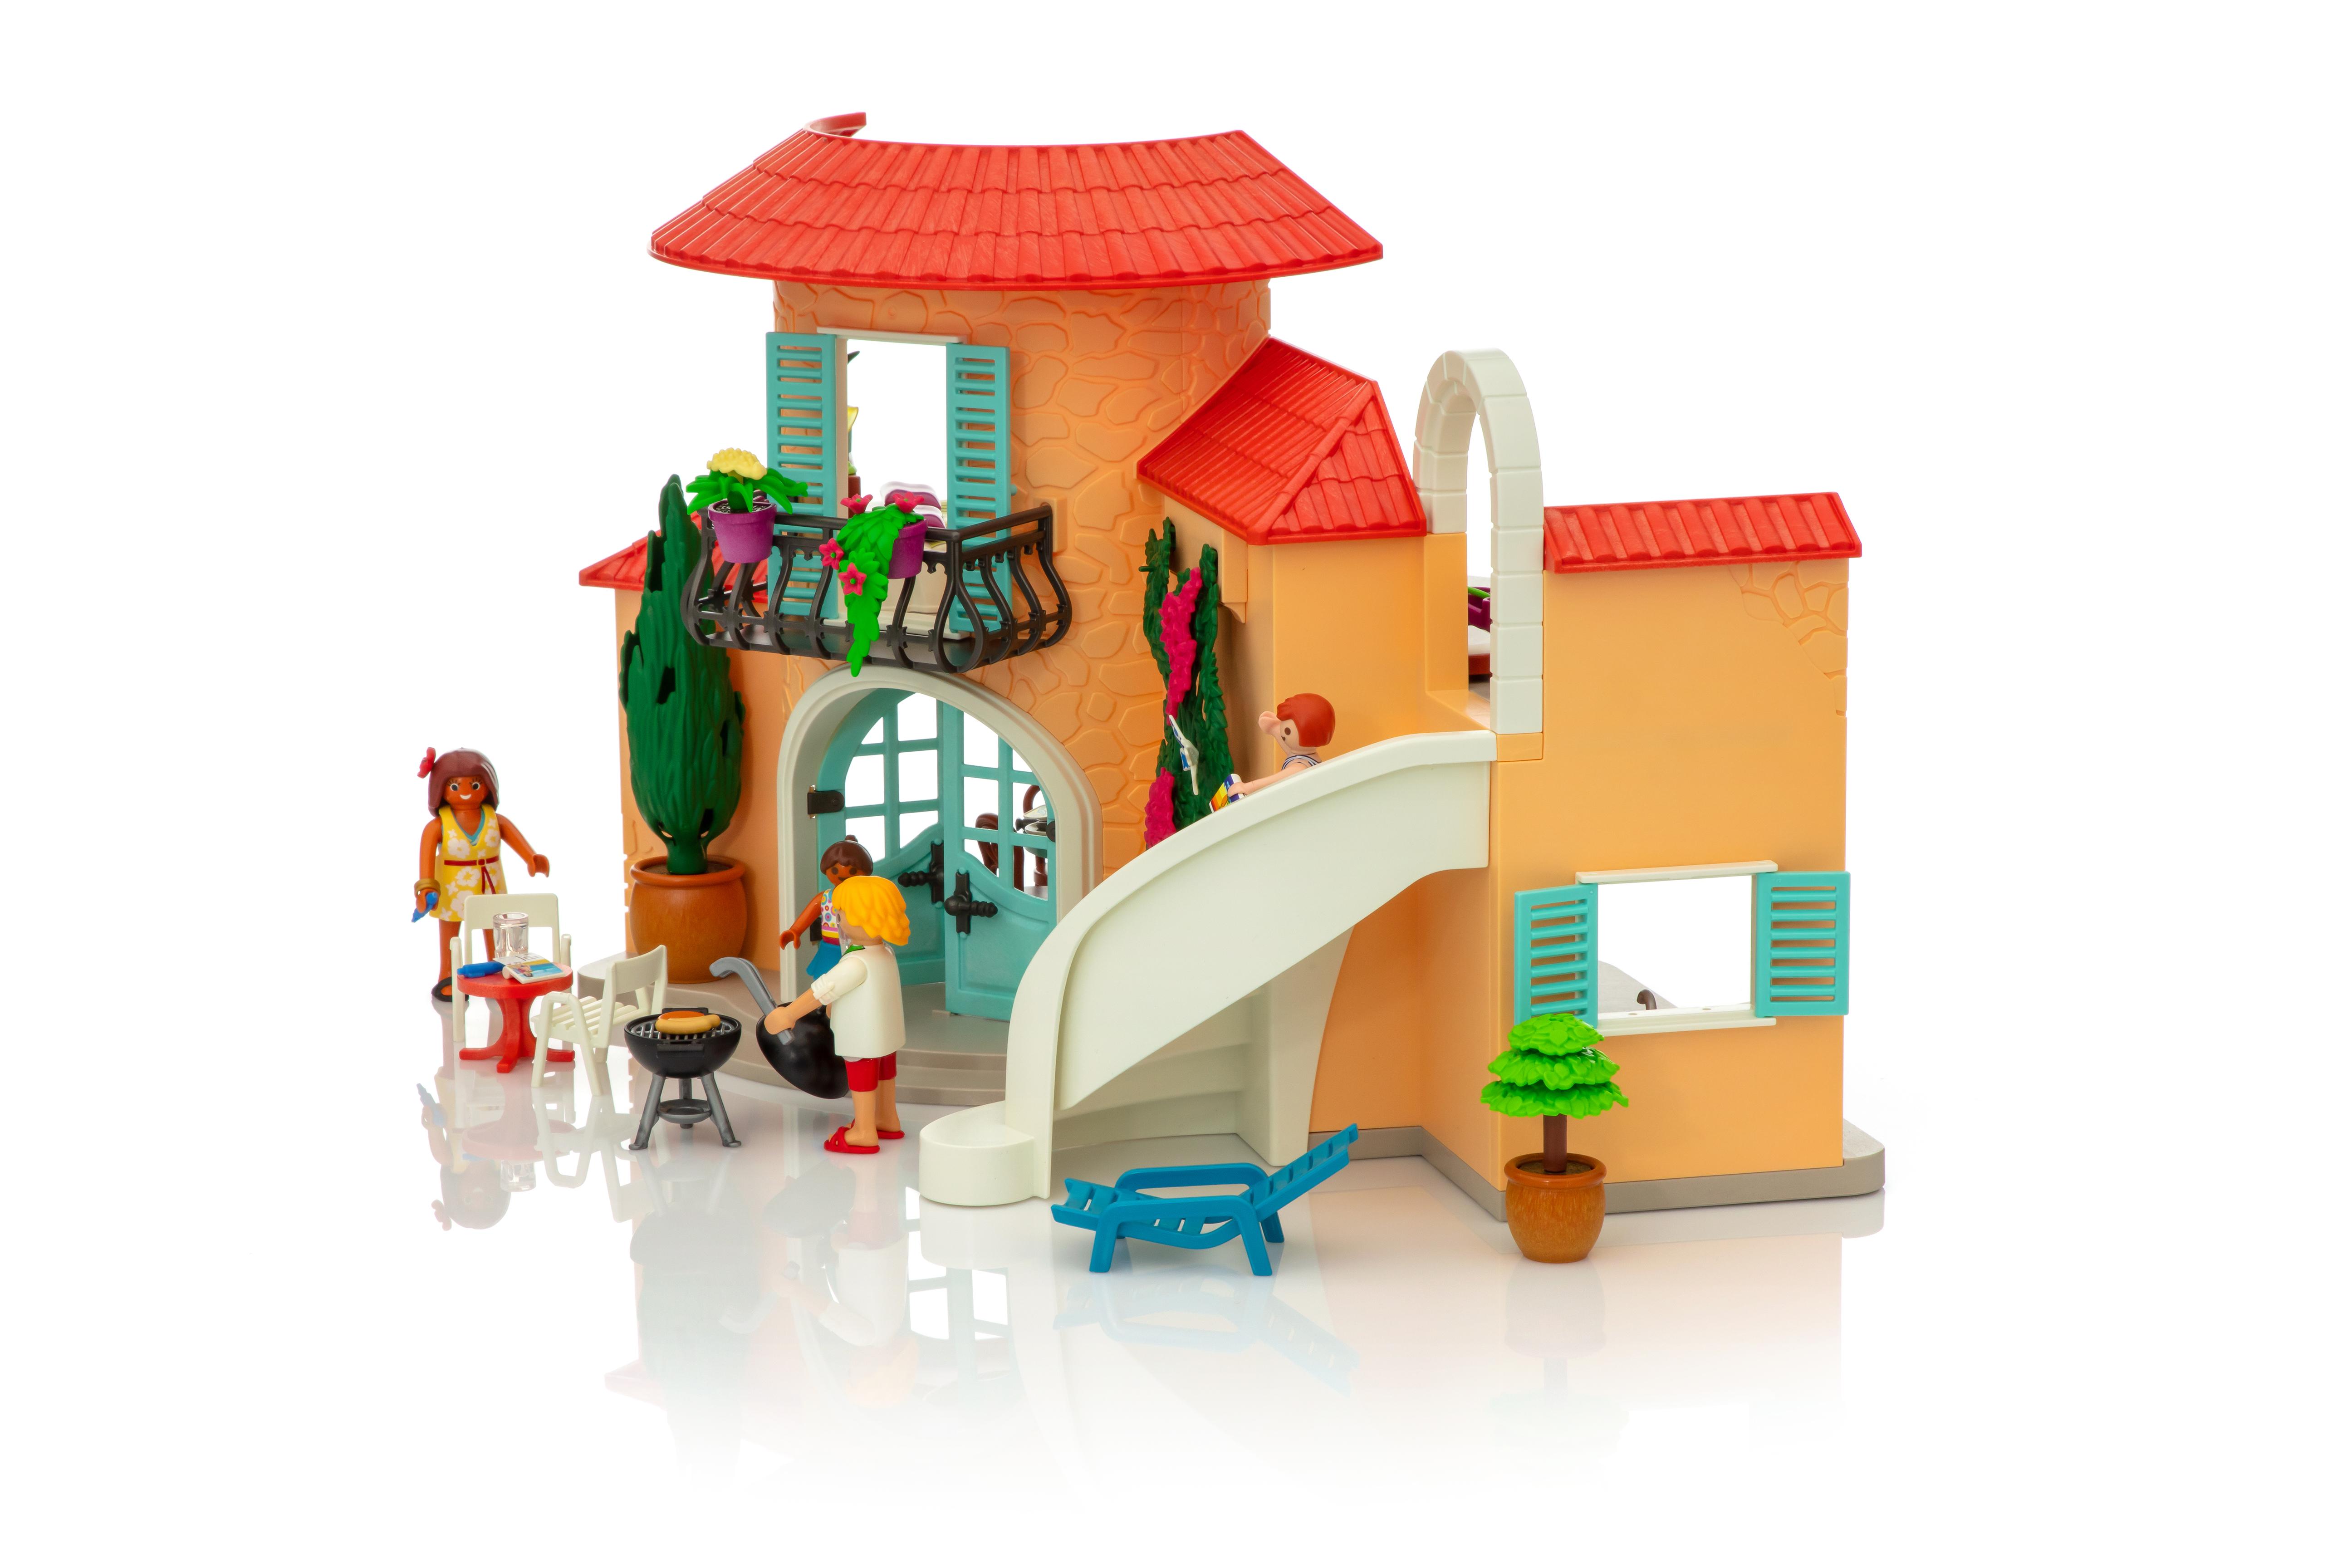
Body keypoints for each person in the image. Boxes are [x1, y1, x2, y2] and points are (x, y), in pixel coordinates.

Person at [764, 877, 908, 1154]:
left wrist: (789, 1015)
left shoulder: (857, 962)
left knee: (862, 1078)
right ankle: (886, 1118)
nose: (837, 922)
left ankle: (864, 1131)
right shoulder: (885, 953)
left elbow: (823, 990)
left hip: (862, 1036)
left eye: (841, 916)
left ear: (865, 918)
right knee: (885, 1072)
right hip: (887, 1034)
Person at [414, 747, 550, 1001]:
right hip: (453, 886)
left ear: (489, 786)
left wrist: (532, 858)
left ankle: (499, 969)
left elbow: (516, 840)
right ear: (440, 789)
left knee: (495, 927)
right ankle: (448, 974)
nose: (466, 791)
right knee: (450, 932)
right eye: (455, 786)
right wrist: (426, 887)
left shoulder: (495, 820)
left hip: (490, 883)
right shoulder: (438, 826)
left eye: (475, 784)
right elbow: (426, 858)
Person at [780, 838, 873, 981]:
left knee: (856, 981)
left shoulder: (866, 897)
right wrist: (795, 931)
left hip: (858, 948)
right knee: (826, 981)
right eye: (835, 870)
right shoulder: (825, 898)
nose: (843, 875)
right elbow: (808, 915)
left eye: (853, 871)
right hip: (830, 949)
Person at [1228, 693, 1336, 798]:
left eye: (1287, 730)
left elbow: (1275, 780)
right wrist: (1273, 728)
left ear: (1307, 736)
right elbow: (1292, 752)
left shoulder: (1299, 768)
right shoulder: (1308, 756)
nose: (1282, 730)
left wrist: (1248, 787)